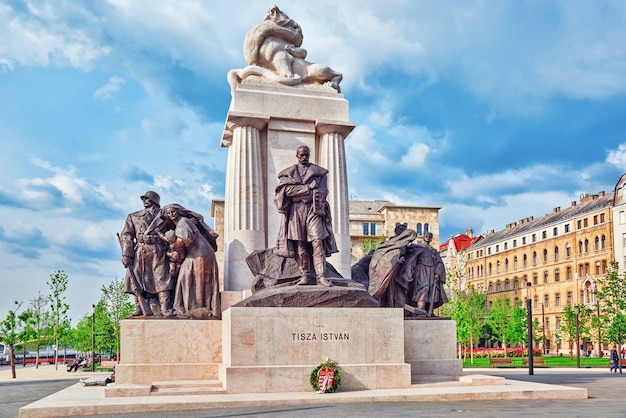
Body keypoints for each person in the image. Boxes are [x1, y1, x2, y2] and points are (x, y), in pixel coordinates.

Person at [274, 145, 338, 287]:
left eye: (306, 155)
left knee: (317, 241)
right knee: (300, 244)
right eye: (301, 155)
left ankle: (321, 276)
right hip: (295, 211)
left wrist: (300, 192)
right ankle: (305, 276)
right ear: (297, 155)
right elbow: (287, 191)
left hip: (313, 210)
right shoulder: (287, 173)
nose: (304, 157)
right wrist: (308, 188)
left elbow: (323, 191)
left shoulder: (320, 173)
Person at [119, 191, 174, 317]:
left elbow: (174, 232)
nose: (144, 200)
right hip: (140, 251)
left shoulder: (165, 216)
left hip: (159, 250)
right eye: (143, 198)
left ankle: (165, 308)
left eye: (147, 198)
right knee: (137, 279)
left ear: (155, 201)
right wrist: (127, 255)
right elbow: (126, 236)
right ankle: (139, 308)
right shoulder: (133, 216)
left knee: (162, 279)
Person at [161, 204, 220, 318]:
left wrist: (170, 248)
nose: (171, 215)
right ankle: (192, 306)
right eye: (168, 213)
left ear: (178, 211)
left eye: (172, 211)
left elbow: (185, 240)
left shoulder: (183, 222)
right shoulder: (182, 223)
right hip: (199, 253)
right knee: (186, 274)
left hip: (200, 253)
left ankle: (195, 307)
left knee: (188, 275)